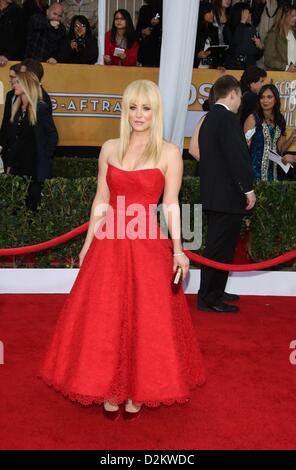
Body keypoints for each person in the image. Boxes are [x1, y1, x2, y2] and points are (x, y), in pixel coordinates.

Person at [40, 79, 205, 419]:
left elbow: (172, 205)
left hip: (147, 243)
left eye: (146, 107)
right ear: (125, 110)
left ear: (156, 111)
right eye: (132, 107)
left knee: (148, 318)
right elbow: (101, 200)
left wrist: (179, 250)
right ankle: (107, 385)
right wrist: (87, 245)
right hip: (109, 243)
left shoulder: (170, 153)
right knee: (105, 316)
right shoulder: (110, 148)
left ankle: (140, 389)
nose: (138, 114)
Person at [198, 75, 256, 314]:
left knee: (220, 246)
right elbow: (237, 158)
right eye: (240, 97)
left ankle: (215, 290)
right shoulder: (228, 119)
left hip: (214, 195)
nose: (240, 102)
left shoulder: (210, 118)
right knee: (219, 248)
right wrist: (248, 189)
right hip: (227, 197)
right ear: (232, 93)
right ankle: (210, 297)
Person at [5, 71, 58, 210]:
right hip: (18, 168)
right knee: (17, 208)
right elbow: (15, 141)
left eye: (17, 82)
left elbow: (52, 136)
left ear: (27, 85)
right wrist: (10, 164)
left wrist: (44, 157)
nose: (14, 85)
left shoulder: (40, 108)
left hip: (34, 170)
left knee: (33, 208)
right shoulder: (17, 109)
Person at [243, 83, 296, 181]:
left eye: (269, 97)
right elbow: (244, 148)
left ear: (276, 100)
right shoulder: (252, 119)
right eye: (262, 97)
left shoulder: (280, 120)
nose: (265, 101)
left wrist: (291, 138)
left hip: (274, 176)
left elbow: (280, 149)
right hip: (254, 176)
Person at [0, 63, 22, 173]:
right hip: (7, 146)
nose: (10, 80)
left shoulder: (25, 97)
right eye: (10, 77)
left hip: (18, 150)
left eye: (12, 77)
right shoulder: (9, 95)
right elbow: (5, 121)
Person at [264, 4, 296, 71]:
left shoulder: (294, 33)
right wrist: (286, 67)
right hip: (279, 76)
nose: (295, 18)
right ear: (284, 17)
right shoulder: (273, 35)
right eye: (292, 16)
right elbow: (268, 60)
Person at [136, 0, 162, 67]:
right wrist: (143, 32)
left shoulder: (169, 9)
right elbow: (138, 31)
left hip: (165, 51)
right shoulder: (144, 10)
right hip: (148, 51)